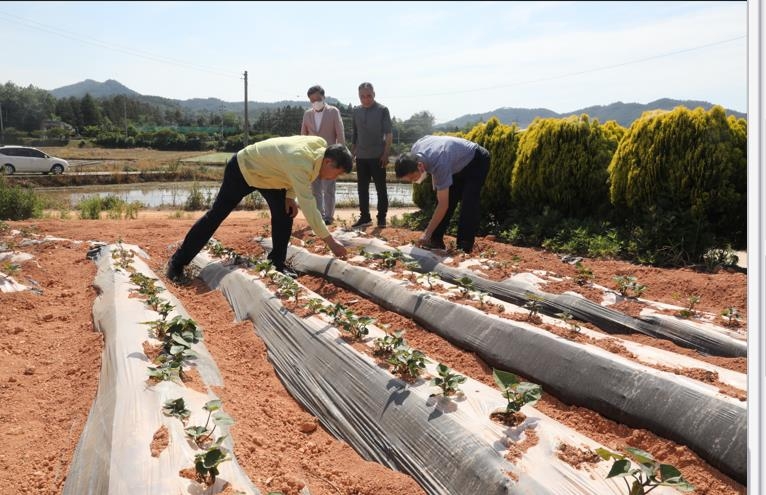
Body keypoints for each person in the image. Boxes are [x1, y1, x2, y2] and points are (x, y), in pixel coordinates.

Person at [166, 136, 352, 282]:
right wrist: (330, 241)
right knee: (216, 215)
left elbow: (296, 173)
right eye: (337, 173)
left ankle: (276, 264)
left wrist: (288, 197)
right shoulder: (299, 161)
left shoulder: (318, 145)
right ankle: (177, 264)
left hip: (270, 176)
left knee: (285, 214)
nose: (334, 178)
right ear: (328, 162)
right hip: (244, 168)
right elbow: (309, 205)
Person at [394, 135, 490, 254]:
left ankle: (464, 246)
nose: (413, 181)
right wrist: (437, 184)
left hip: (476, 160)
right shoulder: (415, 150)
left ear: (420, 166)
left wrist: (426, 233)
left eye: (413, 177)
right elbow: (430, 146)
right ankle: (435, 240)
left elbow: (443, 205)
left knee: (468, 202)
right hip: (454, 162)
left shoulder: (440, 163)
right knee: (447, 199)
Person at [300, 84, 346, 226]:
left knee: (329, 189)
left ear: (324, 97)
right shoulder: (307, 114)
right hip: (313, 157)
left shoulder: (333, 112)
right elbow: (303, 136)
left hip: (330, 157)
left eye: (318, 99)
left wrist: (342, 154)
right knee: (315, 189)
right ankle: (318, 216)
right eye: (312, 100)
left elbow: (340, 133)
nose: (316, 102)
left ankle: (329, 218)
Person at [351, 82, 393, 229]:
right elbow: (355, 135)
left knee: (381, 188)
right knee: (362, 188)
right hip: (361, 157)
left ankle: (381, 218)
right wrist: (352, 154)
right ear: (359, 96)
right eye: (362, 96)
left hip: (378, 156)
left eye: (369, 96)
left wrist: (386, 154)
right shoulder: (356, 111)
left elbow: (388, 134)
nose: (366, 99)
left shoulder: (382, 110)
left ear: (374, 94)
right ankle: (365, 217)